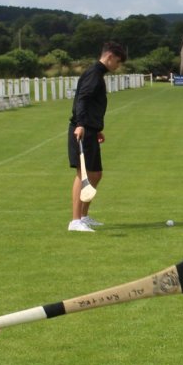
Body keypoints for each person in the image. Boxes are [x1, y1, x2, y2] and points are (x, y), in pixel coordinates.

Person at [68, 41, 128, 233]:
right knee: (83, 173)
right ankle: (75, 221)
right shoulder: (94, 74)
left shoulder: (98, 74)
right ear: (109, 57)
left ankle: (84, 216)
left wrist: (96, 128)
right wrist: (81, 124)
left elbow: (91, 104)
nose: (118, 66)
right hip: (82, 130)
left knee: (95, 174)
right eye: (117, 61)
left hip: (91, 130)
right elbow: (82, 100)